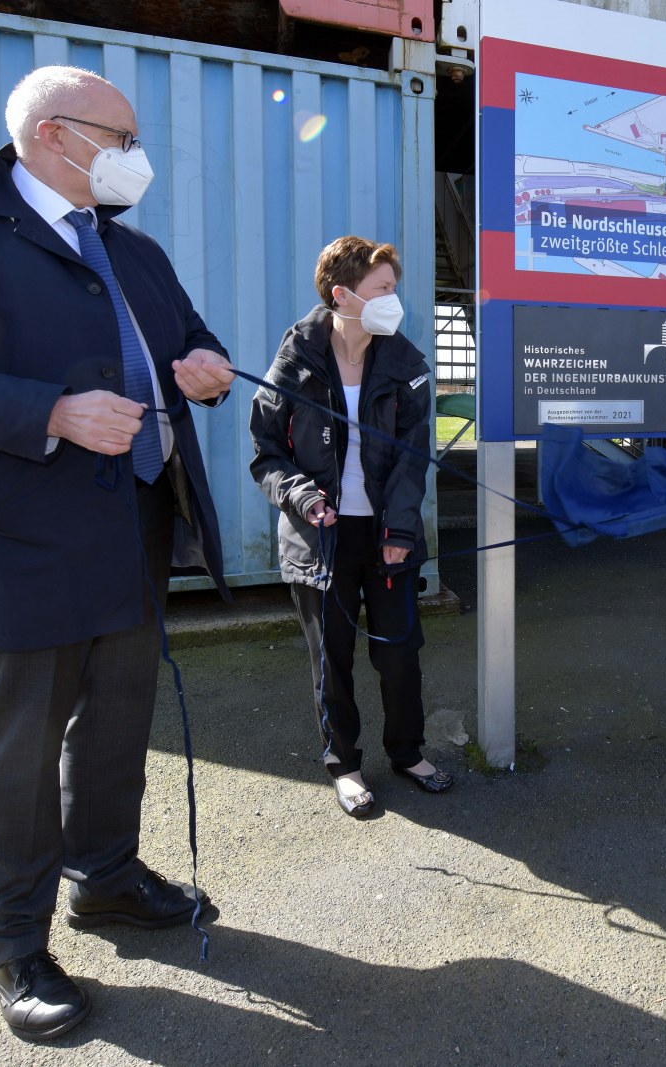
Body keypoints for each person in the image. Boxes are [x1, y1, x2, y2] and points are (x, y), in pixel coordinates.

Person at [0, 66, 234, 1040]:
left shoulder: (133, 247)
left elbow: (189, 338)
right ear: (55, 134)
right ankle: (16, 943)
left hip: (136, 523)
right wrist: (51, 412)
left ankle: (104, 877)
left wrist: (207, 368)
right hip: (17, 538)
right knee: (19, 749)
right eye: (123, 138)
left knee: (117, 722)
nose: (137, 157)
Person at [250, 236, 449, 819]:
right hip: (322, 539)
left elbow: (413, 460)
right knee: (331, 660)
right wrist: (303, 496)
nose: (394, 299)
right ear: (342, 295)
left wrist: (401, 532)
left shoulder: (407, 365)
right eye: (382, 288)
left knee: (399, 654)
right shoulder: (295, 363)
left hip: (389, 539)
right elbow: (266, 454)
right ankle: (345, 765)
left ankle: (408, 753)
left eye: (394, 287)